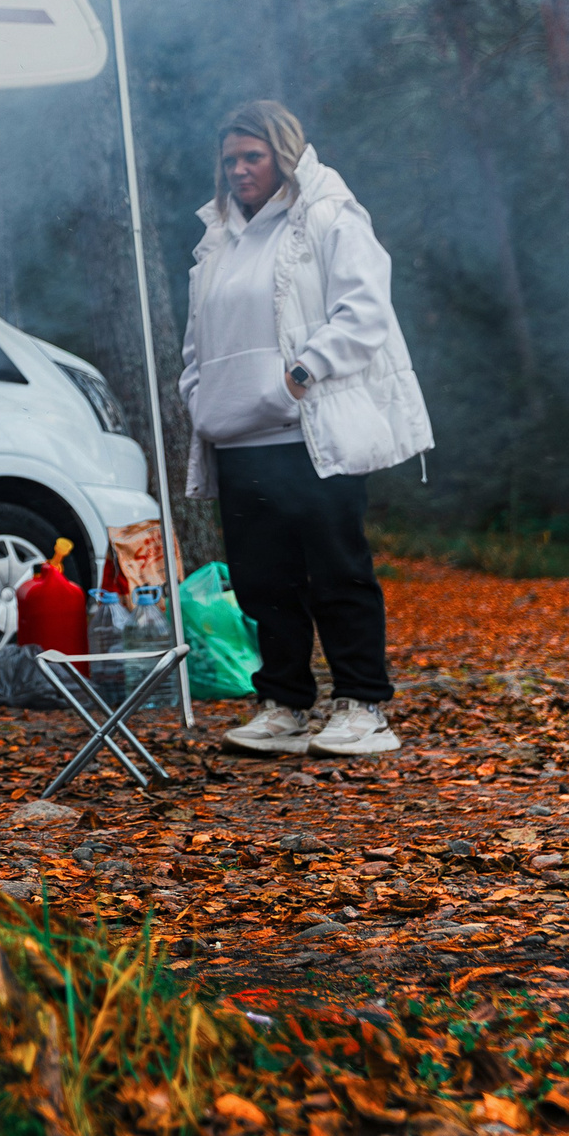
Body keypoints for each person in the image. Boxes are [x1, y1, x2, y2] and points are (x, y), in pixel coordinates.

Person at [179, 102, 431, 760]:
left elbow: (365, 311)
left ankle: (362, 706)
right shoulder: (215, 238)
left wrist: (300, 374)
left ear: (283, 156)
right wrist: (199, 398)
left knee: (336, 570)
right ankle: (285, 704)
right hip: (237, 438)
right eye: (230, 159)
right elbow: (195, 343)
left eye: (251, 157)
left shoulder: (327, 215)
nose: (237, 170)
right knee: (264, 581)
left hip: (310, 430)